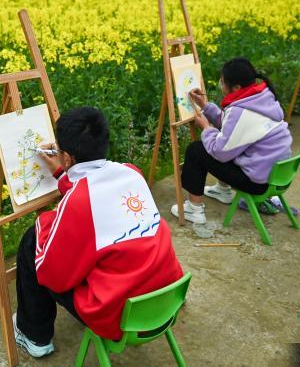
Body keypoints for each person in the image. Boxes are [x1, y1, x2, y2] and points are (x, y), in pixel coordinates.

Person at [14, 107, 183, 358]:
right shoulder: (131, 172)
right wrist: (61, 173)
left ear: (68, 157)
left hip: (118, 317)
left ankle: (34, 336)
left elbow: (53, 275)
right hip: (166, 301)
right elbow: (93, 188)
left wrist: (44, 227)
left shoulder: (80, 201)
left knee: (32, 244)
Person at [170, 58, 292, 225]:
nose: (221, 84)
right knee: (229, 143)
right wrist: (205, 106)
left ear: (236, 87)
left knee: (197, 150)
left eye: (223, 81)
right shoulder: (262, 97)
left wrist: (206, 128)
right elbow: (233, 127)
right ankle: (223, 190)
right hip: (277, 177)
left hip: (258, 183)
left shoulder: (241, 110)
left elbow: (220, 151)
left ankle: (194, 209)